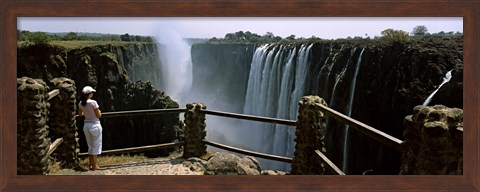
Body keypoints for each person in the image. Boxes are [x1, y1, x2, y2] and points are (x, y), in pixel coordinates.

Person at [77, 86, 102, 170]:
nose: (92, 94)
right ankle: (95, 165)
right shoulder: (93, 102)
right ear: (89, 94)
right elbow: (98, 115)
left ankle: (91, 164)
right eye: (92, 92)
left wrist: (86, 114)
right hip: (95, 125)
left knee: (90, 145)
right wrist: (100, 112)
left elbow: (80, 114)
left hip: (86, 126)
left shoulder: (81, 103)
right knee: (96, 145)